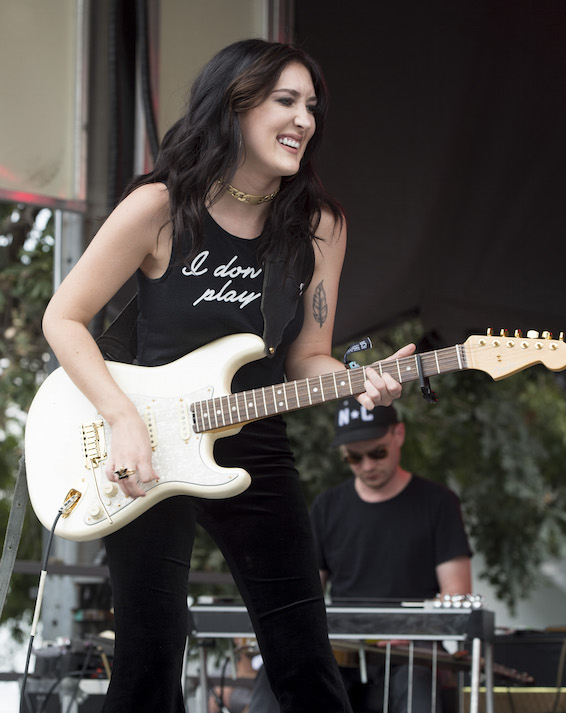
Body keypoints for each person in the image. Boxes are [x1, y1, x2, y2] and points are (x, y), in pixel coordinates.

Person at [41, 39, 415, 713]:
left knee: (305, 655)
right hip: (144, 443)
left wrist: (358, 378)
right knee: (148, 660)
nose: (305, 118)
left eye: (312, 105)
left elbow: (308, 357)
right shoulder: (161, 206)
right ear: (235, 105)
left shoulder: (318, 227)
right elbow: (63, 318)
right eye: (285, 101)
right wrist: (123, 419)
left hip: (254, 443)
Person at [311, 396, 473, 713]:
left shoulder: (437, 502)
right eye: (353, 459)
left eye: (377, 452)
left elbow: (458, 595)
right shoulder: (326, 507)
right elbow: (308, 594)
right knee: (298, 682)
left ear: (398, 434)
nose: (368, 465)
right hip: (345, 648)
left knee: (415, 687)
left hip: (413, 650)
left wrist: (413, 629)